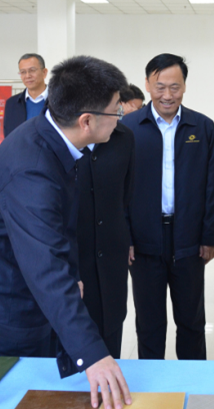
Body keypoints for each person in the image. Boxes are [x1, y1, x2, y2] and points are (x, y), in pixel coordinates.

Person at [0, 55, 132, 409]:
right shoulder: (31, 170)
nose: (120, 117)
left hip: (34, 294)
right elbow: (45, 269)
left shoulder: (50, 137)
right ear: (86, 121)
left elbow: (57, 229)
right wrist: (94, 355)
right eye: (116, 110)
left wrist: (71, 272)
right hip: (13, 311)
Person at [122, 53, 214, 361]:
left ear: (185, 86)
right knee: (149, 324)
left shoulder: (202, 127)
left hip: (188, 240)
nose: (167, 95)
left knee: (191, 322)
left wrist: (210, 235)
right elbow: (118, 190)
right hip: (143, 243)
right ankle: (153, 383)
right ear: (147, 85)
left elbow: (212, 185)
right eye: (160, 87)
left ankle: (193, 380)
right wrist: (125, 237)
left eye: (175, 87)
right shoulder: (128, 128)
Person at [77, 115, 135, 359]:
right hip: (74, 257)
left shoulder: (123, 137)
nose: (118, 114)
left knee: (111, 328)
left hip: (112, 254)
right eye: (114, 106)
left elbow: (127, 195)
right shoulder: (58, 140)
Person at [4, 53, 48, 137]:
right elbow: (9, 137)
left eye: (32, 70)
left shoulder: (60, 101)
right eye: (23, 72)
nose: (27, 76)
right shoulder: (12, 104)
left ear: (44, 72)